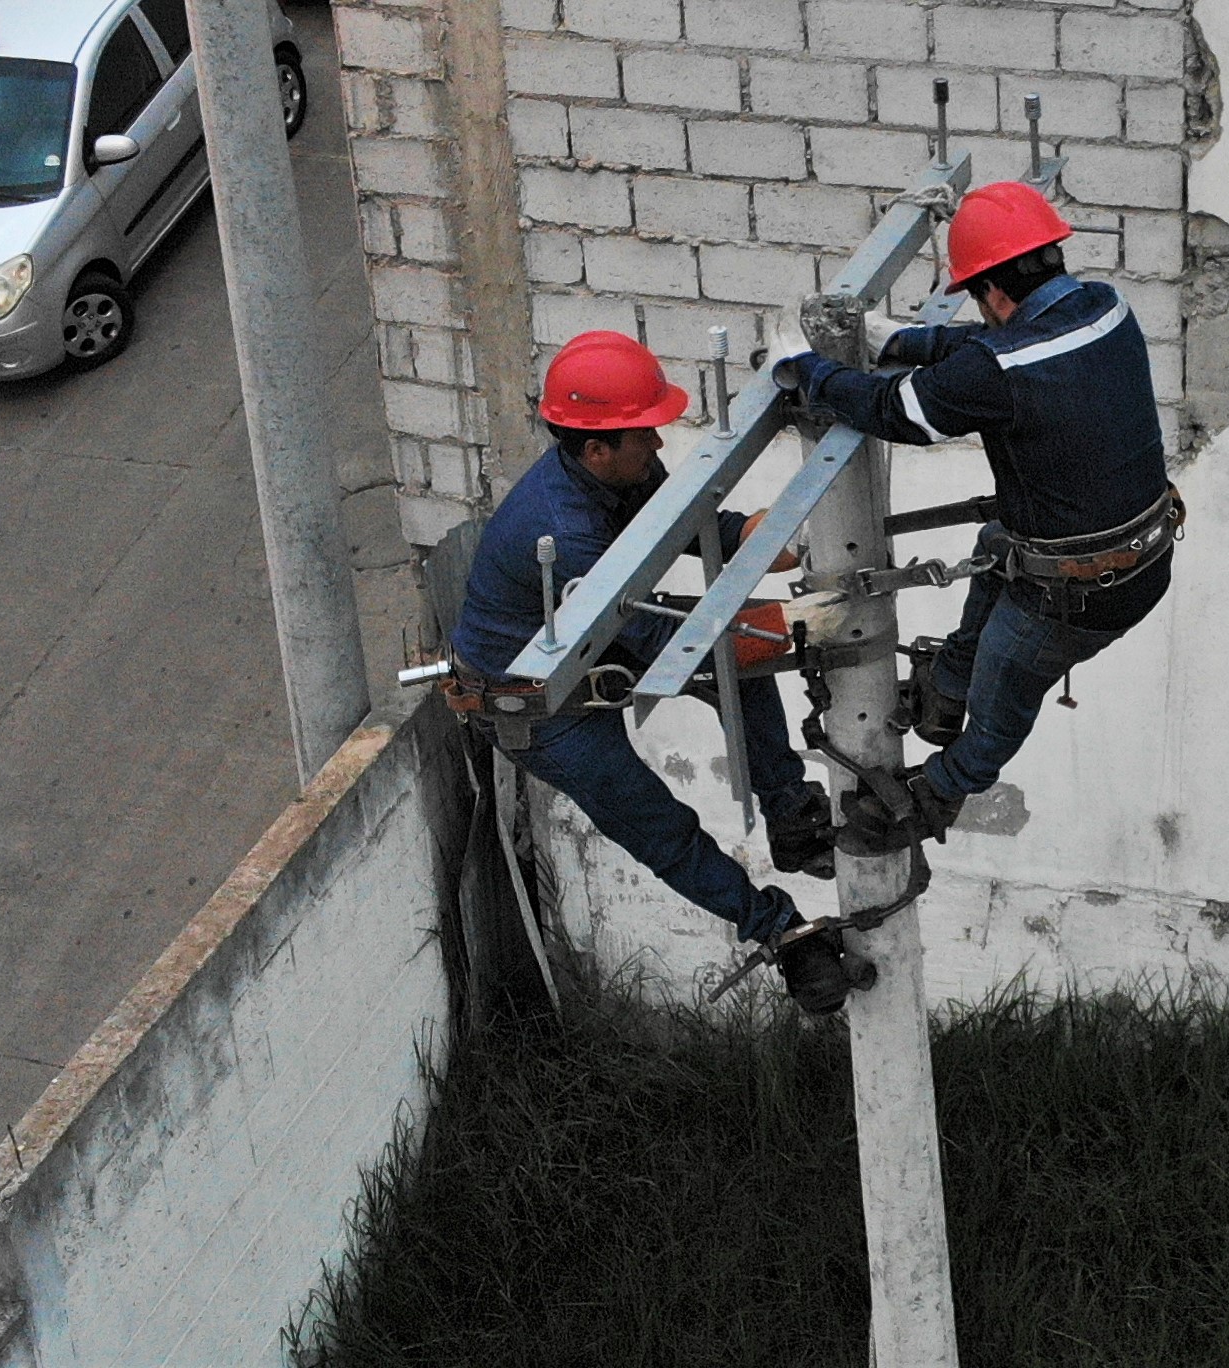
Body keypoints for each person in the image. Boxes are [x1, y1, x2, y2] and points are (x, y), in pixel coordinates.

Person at [448, 331, 860, 1013]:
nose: (660, 446)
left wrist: (755, 533)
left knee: (746, 654)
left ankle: (788, 808)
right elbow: (656, 645)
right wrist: (788, 631)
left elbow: (684, 525)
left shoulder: (621, 471)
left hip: (597, 644)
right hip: (541, 713)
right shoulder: (564, 530)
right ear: (595, 448)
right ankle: (782, 934)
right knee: (661, 828)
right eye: (645, 436)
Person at [772, 181, 1183, 853]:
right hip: (1141, 558)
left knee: (1003, 697)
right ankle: (947, 684)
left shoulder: (999, 370)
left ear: (992, 292)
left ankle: (938, 791)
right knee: (997, 542)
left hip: (1073, 597)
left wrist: (806, 370)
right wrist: (908, 341)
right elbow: (996, 350)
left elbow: (892, 410)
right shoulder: (1106, 307)